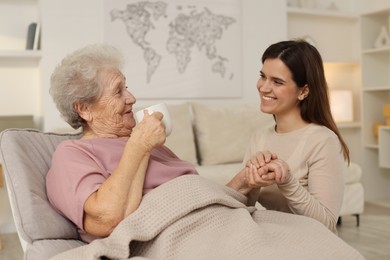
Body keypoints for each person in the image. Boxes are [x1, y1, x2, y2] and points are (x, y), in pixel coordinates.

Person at [46, 43, 285, 243]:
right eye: (118, 92)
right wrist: (139, 146)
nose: (132, 98)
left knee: (302, 233)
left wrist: (246, 181)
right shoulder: (73, 154)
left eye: (126, 87)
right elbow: (106, 219)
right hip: (181, 238)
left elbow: (200, 200)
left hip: (216, 221)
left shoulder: (148, 144)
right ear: (85, 109)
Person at [241, 39, 350, 233]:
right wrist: (252, 183)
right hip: (271, 238)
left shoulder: (323, 141)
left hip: (309, 244)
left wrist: (287, 181)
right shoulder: (259, 137)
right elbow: (244, 209)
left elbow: (326, 223)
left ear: (304, 91)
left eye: (277, 81)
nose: (264, 87)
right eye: (262, 76)